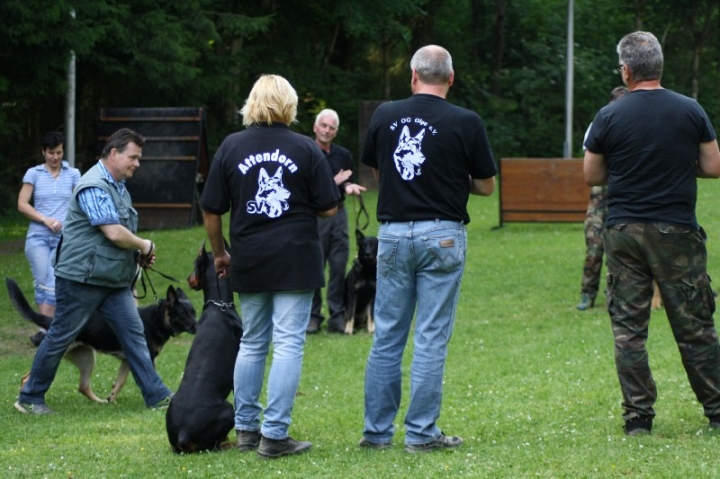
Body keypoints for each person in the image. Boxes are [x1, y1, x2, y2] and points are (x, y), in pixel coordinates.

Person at [359, 45, 497, 452]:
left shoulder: (384, 115)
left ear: (413, 76)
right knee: (431, 337)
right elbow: (487, 186)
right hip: (443, 235)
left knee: (387, 336)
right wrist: (456, 178)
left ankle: (377, 433)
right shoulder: (466, 121)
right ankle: (420, 433)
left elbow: (379, 170)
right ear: (451, 78)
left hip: (394, 234)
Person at [584, 31, 720, 435]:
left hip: (623, 229)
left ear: (626, 71)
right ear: (659, 66)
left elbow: (591, 174)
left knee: (629, 331)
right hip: (676, 230)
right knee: (695, 326)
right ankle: (716, 409)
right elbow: (713, 166)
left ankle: (638, 417)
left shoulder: (608, 116)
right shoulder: (690, 109)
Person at [201, 74, 339, 458]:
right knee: (289, 344)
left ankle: (246, 430)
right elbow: (328, 207)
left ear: (252, 103)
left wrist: (219, 254)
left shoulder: (231, 146)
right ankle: (275, 436)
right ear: (289, 106)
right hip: (295, 257)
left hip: (249, 256)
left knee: (253, 341)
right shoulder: (305, 148)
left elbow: (212, 208)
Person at [15, 128, 174, 415]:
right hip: (81, 279)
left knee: (134, 334)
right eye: (133, 157)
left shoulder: (117, 185)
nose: (137, 163)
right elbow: (112, 232)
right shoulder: (93, 185)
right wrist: (145, 244)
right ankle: (30, 396)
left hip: (112, 280)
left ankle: (157, 395)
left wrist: (135, 254)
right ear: (114, 154)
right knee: (60, 336)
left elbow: (116, 235)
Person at [307, 108, 366, 334]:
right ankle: (313, 316)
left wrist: (349, 186)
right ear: (315, 127)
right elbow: (308, 188)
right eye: (323, 125)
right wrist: (335, 181)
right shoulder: (307, 152)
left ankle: (337, 315)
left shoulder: (343, 155)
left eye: (331, 128)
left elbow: (348, 181)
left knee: (339, 266)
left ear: (336, 131)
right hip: (316, 217)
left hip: (339, 215)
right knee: (315, 267)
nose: (327, 130)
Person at [17, 131, 81, 318]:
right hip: (38, 236)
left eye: (59, 153)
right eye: (51, 153)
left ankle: (48, 330)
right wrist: (45, 219)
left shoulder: (73, 174)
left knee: (53, 280)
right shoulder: (33, 173)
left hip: (64, 237)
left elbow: (81, 201)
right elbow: (22, 204)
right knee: (42, 281)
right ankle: (46, 327)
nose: (55, 157)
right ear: (43, 152)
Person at [576, 86, 628, 311]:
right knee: (594, 246)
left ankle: (614, 295)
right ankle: (587, 294)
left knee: (620, 249)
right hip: (600, 197)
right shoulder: (599, 124)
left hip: (625, 194)